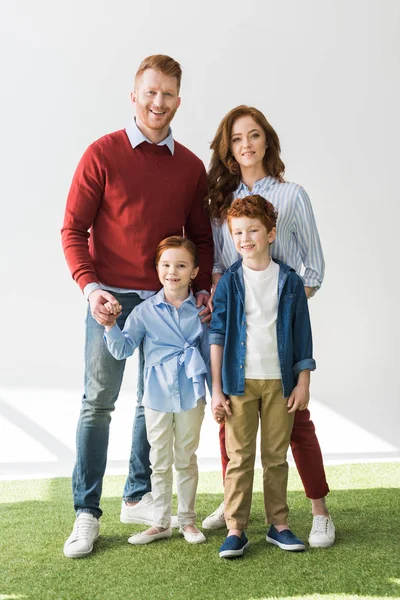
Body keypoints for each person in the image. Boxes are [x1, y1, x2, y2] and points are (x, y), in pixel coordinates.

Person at [61, 55, 213, 558]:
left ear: (178, 101)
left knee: (154, 404)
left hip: (165, 302)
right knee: (97, 403)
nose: (158, 102)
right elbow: (72, 231)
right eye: (150, 91)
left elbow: (202, 239)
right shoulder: (102, 153)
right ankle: (86, 512)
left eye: (168, 94)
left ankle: (137, 495)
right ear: (134, 95)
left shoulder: (191, 166)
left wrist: (202, 287)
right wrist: (90, 289)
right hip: (108, 296)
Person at [202, 105, 335, 549]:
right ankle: (234, 510)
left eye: (253, 136)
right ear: (228, 150)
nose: (246, 146)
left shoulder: (293, 195)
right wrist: (239, 306)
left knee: (295, 426)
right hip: (238, 331)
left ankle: (316, 511)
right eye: (236, 140)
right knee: (232, 428)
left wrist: (283, 306)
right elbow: (222, 266)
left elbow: (312, 268)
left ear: (267, 141)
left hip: (280, 337)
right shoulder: (222, 202)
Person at [211, 194, 315, 558]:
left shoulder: (288, 281)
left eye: (252, 230)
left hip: (280, 383)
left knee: (275, 456)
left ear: (271, 234)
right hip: (238, 385)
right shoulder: (229, 284)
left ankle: (279, 525)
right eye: (237, 232)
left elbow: (302, 334)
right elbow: (218, 336)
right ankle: (236, 529)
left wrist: (304, 381)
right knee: (238, 458)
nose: (245, 239)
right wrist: (217, 390)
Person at [104, 236, 209, 545]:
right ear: (157, 268)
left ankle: (188, 520)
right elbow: (123, 349)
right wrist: (111, 325)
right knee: (159, 462)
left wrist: (219, 397)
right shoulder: (144, 312)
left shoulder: (202, 311)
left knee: (186, 459)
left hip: (192, 391)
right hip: (157, 395)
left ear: (194, 271)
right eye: (166, 265)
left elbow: (209, 353)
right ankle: (161, 522)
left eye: (181, 265)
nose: (172, 271)